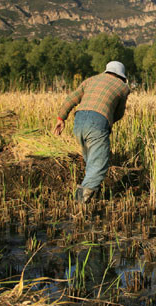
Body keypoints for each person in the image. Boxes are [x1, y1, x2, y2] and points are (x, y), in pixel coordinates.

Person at [53, 61, 130, 203]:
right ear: (121, 76)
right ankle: (81, 200)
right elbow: (119, 113)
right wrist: (107, 121)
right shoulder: (123, 87)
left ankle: (94, 194)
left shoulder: (91, 80)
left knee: (91, 159)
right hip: (98, 122)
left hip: (79, 121)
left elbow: (71, 99)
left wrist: (61, 118)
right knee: (99, 162)